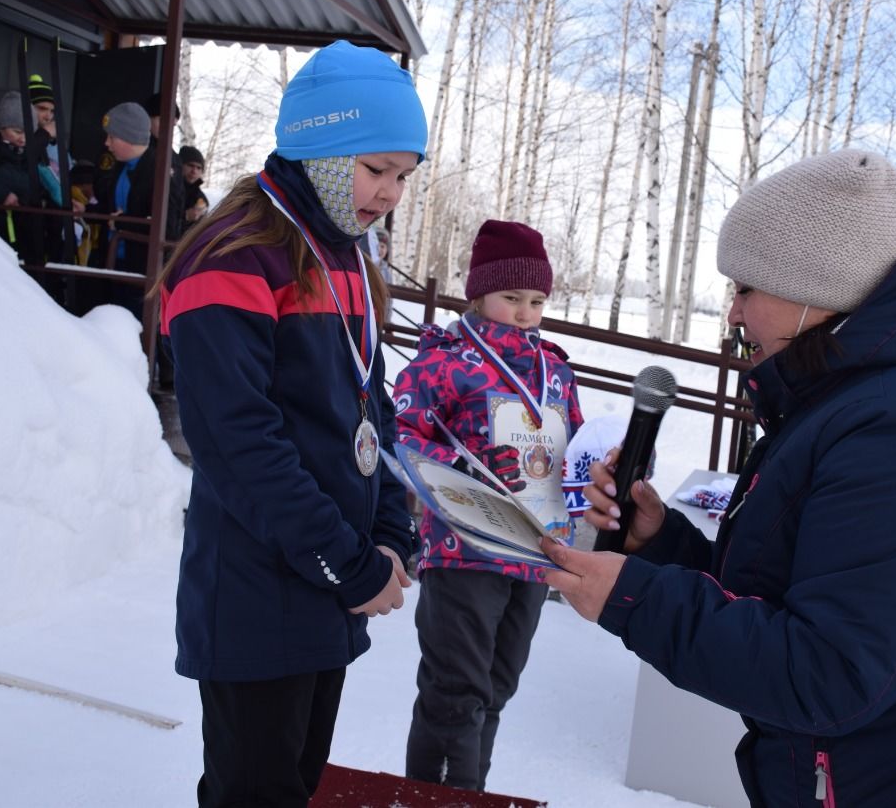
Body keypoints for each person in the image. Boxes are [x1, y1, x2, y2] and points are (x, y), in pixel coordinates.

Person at [542, 149, 896, 808]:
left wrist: (638, 599)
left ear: (814, 291)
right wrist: (661, 545)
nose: (734, 315)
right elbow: (799, 592)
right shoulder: (851, 405)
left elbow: (831, 672)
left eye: (745, 288)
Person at [156, 40, 427, 808]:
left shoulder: (344, 256)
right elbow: (241, 446)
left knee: (296, 786)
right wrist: (349, 560)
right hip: (257, 595)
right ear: (320, 141)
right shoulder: (232, 258)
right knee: (256, 792)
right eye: (376, 169)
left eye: (404, 176)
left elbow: (370, 408)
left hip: (323, 588)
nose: (391, 194)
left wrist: (390, 534)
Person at [395, 219, 584, 792]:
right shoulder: (445, 362)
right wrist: (463, 472)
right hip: (464, 551)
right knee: (456, 692)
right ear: (478, 293)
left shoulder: (555, 369)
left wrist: (598, 470)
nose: (525, 313)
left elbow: (572, 443)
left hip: (533, 551)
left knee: (496, 689)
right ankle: (434, 798)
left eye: (536, 300)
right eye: (511, 298)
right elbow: (400, 433)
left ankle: (467, 794)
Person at [89, 101, 185, 312]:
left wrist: (122, 224)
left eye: (112, 137)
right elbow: (109, 208)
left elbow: (167, 228)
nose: (107, 143)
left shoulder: (161, 170)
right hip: (114, 265)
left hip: (142, 274)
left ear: (128, 137)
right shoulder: (119, 166)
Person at [0, 91, 48, 262]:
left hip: (15, 229)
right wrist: (1, 194)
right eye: (17, 132)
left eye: (29, 133)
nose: (23, 139)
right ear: (1, 126)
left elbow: (32, 184)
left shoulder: (27, 153)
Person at [178, 145, 209, 229]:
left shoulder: (201, 198)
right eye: (190, 165)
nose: (194, 171)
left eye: (199, 168)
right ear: (180, 165)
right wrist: (185, 216)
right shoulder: (169, 189)